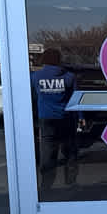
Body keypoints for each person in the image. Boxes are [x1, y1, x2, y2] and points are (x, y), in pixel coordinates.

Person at [31, 48, 78, 189]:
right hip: (66, 118)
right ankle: (71, 183)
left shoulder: (35, 77)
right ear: (59, 59)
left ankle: (46, 185)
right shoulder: (69, 77)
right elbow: (75, 100)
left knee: (48, 152)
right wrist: (80, 117)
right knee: (70, 152)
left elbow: (32, 98)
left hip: (46, 118)